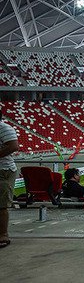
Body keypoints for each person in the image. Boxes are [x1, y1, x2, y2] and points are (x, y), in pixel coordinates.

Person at [0, 106, 18, 249]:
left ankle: (3, 234)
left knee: (1, 204)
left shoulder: (4, 128)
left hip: (4, 171)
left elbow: (13, 146)